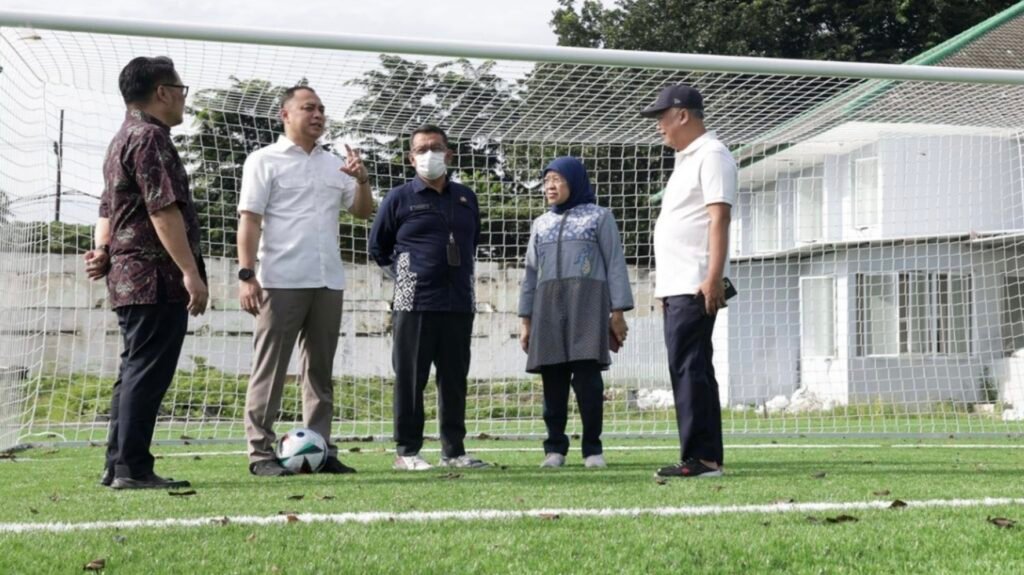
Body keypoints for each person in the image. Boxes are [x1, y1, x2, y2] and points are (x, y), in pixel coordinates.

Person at [82, 56, 207, 490]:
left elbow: (107, 207)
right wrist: (190, 272)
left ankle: (117, 463)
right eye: (181, 90)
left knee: (134, 369)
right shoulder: (150, 137)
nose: (183, 99)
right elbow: (162, 209)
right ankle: (132, 468)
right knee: (146, 373)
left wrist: (102, 249)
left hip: (128, 276)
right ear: (162, 92)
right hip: (154, 277)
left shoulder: (121, 138)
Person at [237, 86, 374, 477]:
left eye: (321, 109)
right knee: (271, 370)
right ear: (285, 114)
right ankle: (260, 453)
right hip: (279, 280)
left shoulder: (335, 164)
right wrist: (247, 275)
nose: (317, 115)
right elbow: (250, 219)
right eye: (308, 108)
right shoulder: (263, 160)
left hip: (328, 281)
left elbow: (362, 211)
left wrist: (362, 180)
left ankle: (321, 448)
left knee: (319, 372)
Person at [368, 125, 487, 471]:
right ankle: (407, 452)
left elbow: (472, 241)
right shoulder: (399, 198)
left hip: (459, 301)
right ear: (411, 158)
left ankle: (454, 451)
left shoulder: (466, 198)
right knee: (410, 378)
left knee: (454, 380)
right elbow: (378, 247)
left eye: (435, 147)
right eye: (421, 149)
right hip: (414, 302)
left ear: (449, 154)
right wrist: (406, 274)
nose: (429, 154)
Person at [641, 85, 736, 478]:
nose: (658, 126)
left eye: (662, 117)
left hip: (695, 282)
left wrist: (713, 277)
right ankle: (705, 455)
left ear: (682, 115)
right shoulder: (686, 159)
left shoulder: (712, 154)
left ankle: (702, 458)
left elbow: (719, 217)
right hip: (678, 283)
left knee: (690, 366)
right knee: (690, 366)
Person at [518, 157, 633, 468]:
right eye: (546, 181)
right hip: (547, 311)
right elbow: (530, 275)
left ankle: (593, 450)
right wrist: (526, 320)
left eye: (557, 180)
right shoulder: (541, 224)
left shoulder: (599, 217)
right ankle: (554, 449)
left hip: (587, 307)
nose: (550, 186)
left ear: (575, 181)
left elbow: (615, 264)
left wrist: (618, 313)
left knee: (588, 382)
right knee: (552, 382)